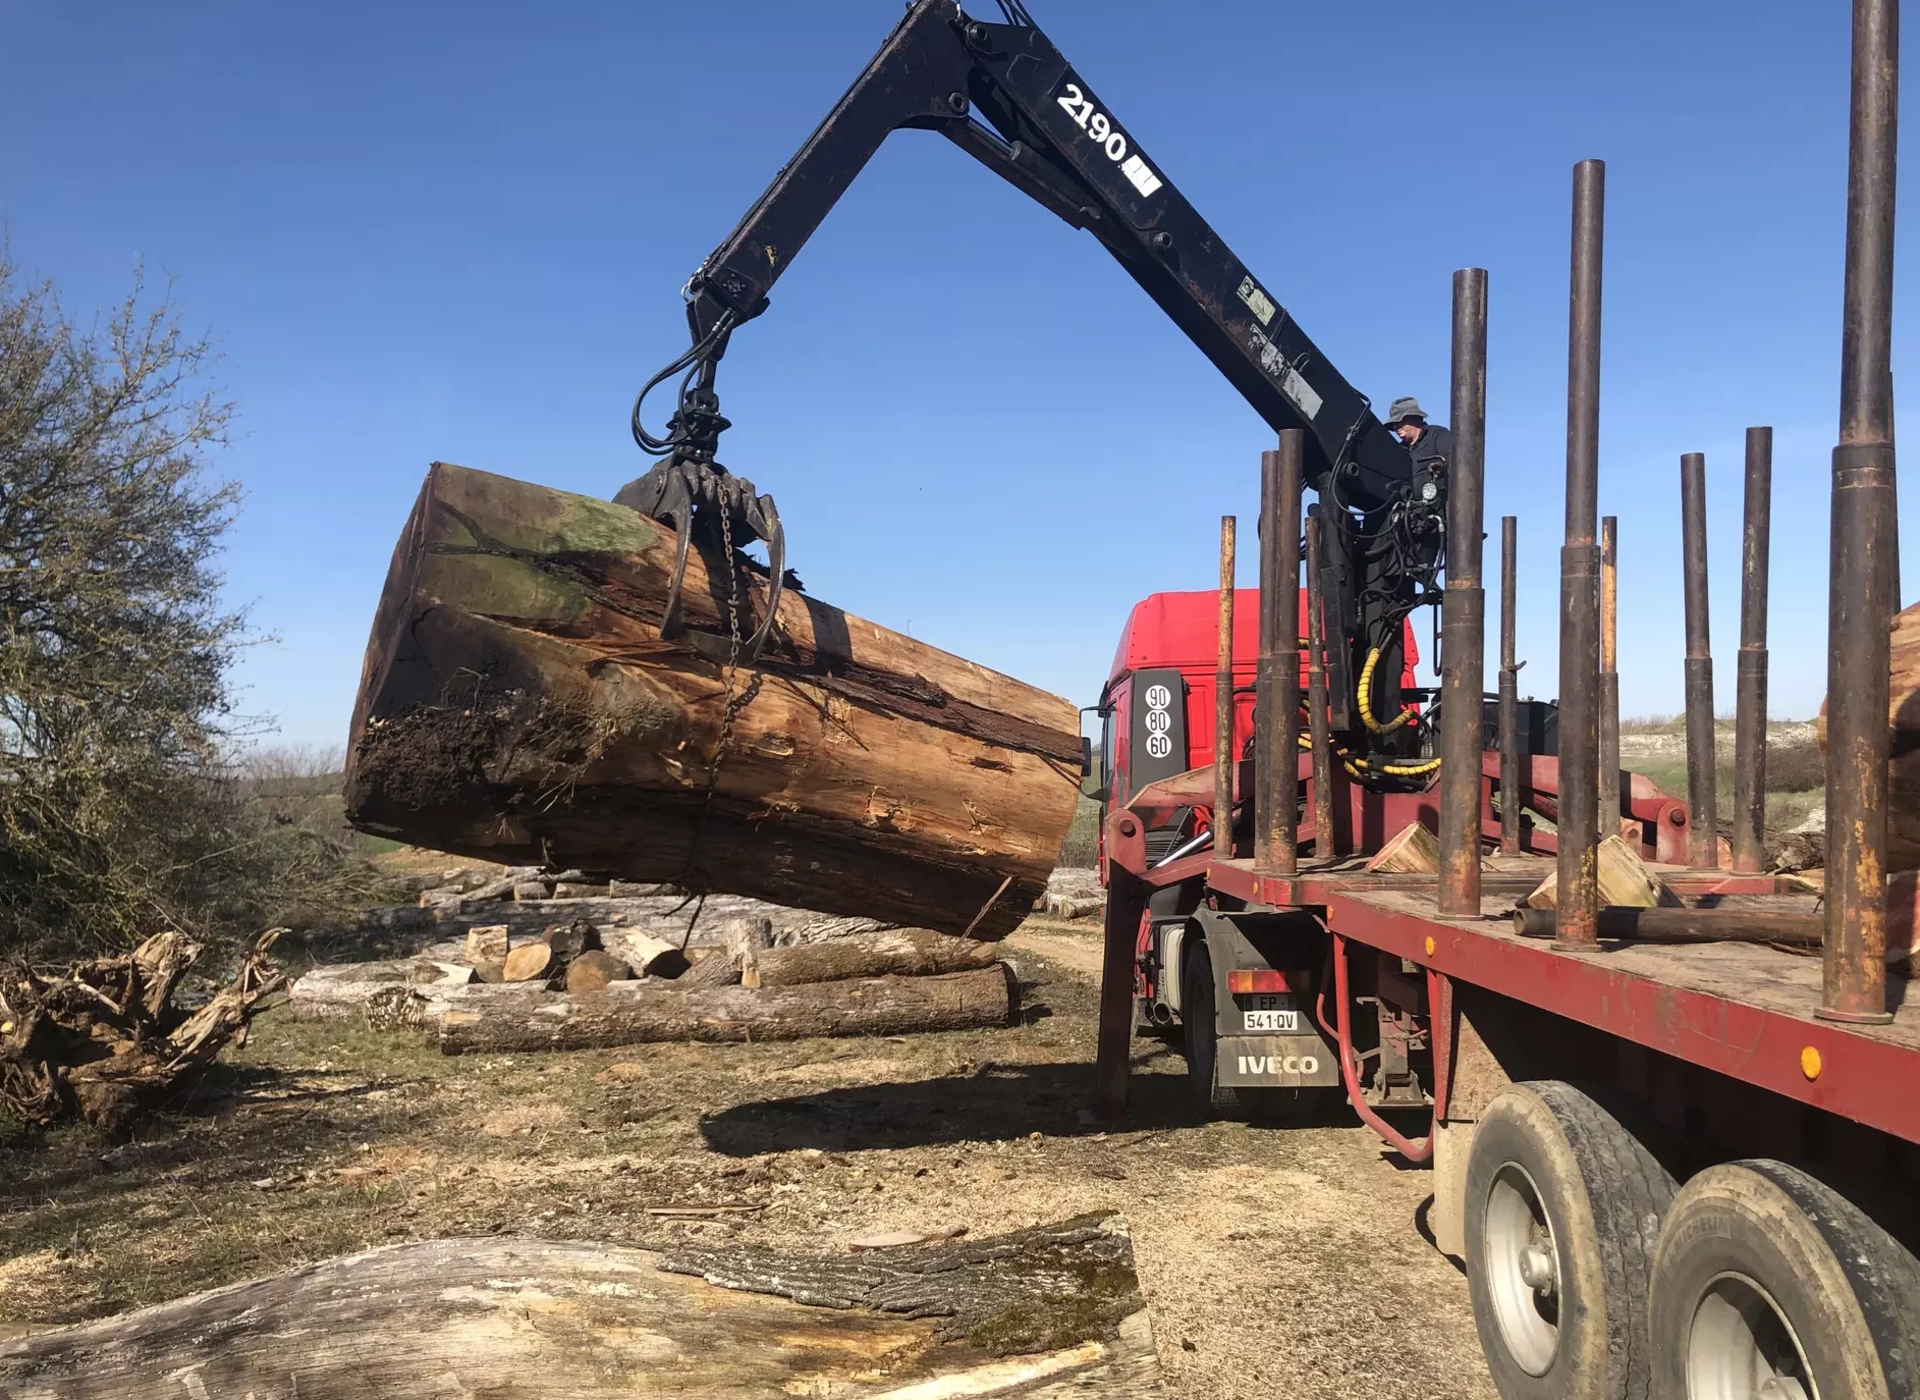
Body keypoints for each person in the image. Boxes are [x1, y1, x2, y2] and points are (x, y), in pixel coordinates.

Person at [1384, 396, 1452, 479]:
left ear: (1415, 418)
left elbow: (1455, 461)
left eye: (1399, 421)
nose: (1396, 427)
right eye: (1394, 424)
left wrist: (1441, 467)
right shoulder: (1398, 451)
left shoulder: (1437, 435)